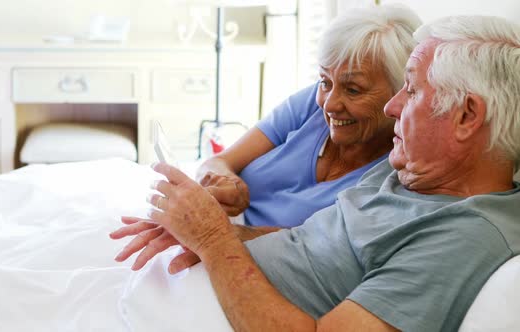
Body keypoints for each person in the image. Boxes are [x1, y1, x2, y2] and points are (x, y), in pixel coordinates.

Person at [112, 14, 520, 331]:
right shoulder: (414, 174)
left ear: (467, 115)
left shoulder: (459, 237)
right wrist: (209, 231)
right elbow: (315, 241)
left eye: (411, 90)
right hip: (200, 282)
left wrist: (214, 240)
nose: (393, 106)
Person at [195, 5, 421, 228]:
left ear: (403, 92)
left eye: (353, 89)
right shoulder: (311, 102)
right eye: (325, 81)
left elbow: (310, 250)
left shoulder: (398, 175)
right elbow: (217, 162)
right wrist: (225, 182)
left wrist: (216, 233)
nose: (329, 104)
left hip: (242, 253)